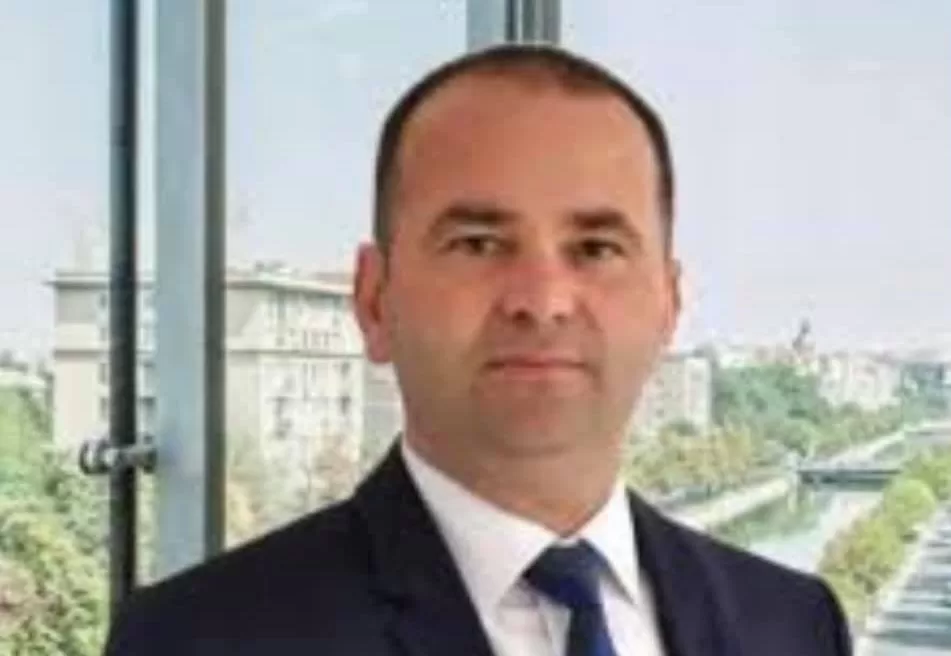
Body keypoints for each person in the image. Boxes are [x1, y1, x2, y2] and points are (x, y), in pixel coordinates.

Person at [104, 44, 852, 656]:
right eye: (478, 244)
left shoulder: (793, 627)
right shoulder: (198, 640)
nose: (542, 300)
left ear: (669, 305)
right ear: (374, 300)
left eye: (595, 248)